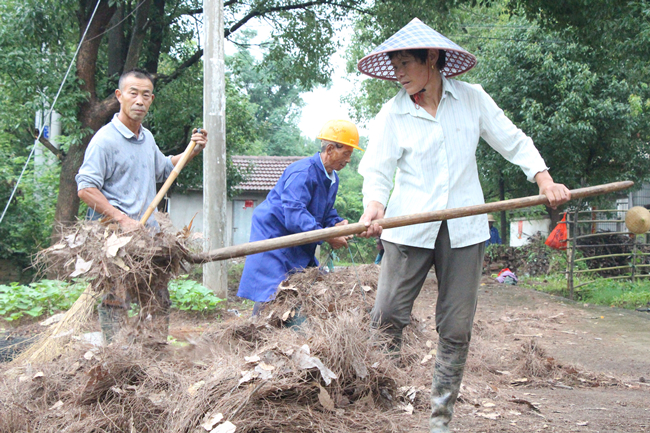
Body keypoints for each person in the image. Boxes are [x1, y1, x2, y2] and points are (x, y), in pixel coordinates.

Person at [356, 19, 570, 433]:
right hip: (407, 227)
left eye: (404, 63)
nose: (398, 72)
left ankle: (440, 420)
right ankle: (376, 409)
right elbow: (378, 172)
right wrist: (374, 210)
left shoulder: (472, 100)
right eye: (394, 64)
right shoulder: (392, 113)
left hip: (464, 228)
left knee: (455, 327)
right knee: (386, 317)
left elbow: (513, 140)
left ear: (431, 58)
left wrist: (544, 179)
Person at [75, 68, 208, 343]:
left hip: (147, 239)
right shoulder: (104, 140)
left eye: (145, 95)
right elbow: (85, 189)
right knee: (116, 303)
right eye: (133, 93)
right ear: (119, 96)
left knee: (158, 302)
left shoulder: (146, 138)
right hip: (115, 242)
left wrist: (191, 151)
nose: (139, 100)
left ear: (151, 99)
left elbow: (165, 168)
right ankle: (116, 360)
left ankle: (154, 357)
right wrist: (122, 219)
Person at [237, 120, 363, 313]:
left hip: (298, 238)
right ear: (330, 149)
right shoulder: (302, 172)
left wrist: (337, 224)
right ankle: (258, 332)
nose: (348, 160)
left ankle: (291, 333)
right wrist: (328, 235)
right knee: (272, 291)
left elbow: (325, 210)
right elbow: (295, 215)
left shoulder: (332, 177)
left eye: (350, 155)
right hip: (275, 234)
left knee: (302, 288)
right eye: (346, 154)